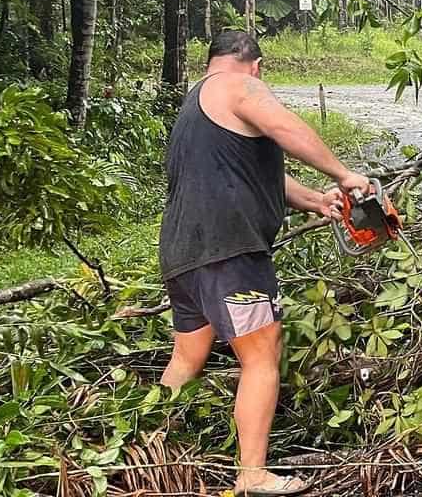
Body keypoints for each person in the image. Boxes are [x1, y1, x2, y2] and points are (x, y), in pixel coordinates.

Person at [158, 30, 375, 496]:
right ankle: (252, 474)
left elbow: (258, 174)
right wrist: (343, 173)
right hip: (231, 250)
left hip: (183, 254)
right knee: (262, 355)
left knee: (187, 356)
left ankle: (151, 443)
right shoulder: (240, 85)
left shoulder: (200, 101)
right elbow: (288, 129)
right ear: (255, 64)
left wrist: (317, 199)